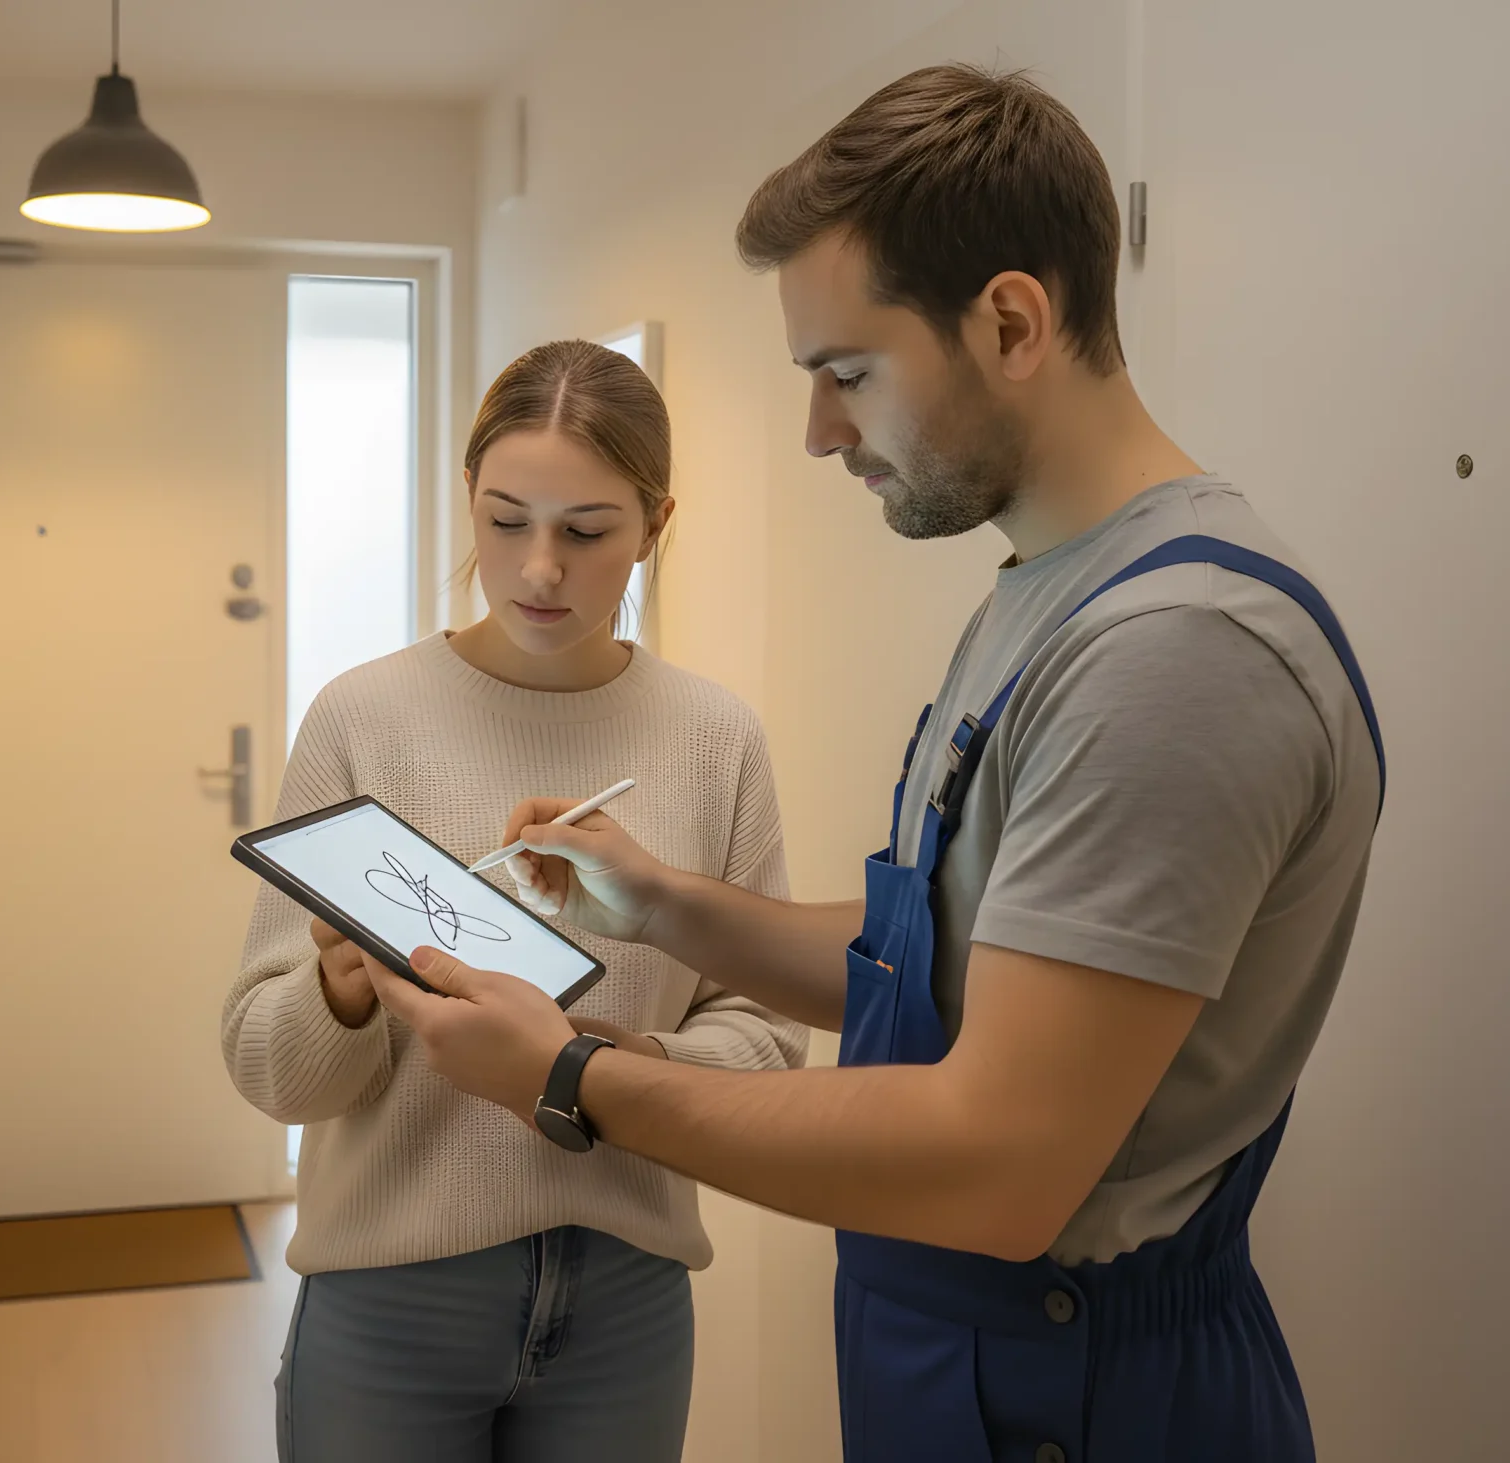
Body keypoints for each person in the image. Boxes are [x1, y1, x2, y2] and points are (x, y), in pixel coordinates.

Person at [368, 65, 1384, 1463]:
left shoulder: (1176, 651)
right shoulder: (1047, 593)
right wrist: (663, 904)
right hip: (961, 1355)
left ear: (1012, 322)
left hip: (1080, 1381)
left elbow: (998, 1156)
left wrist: (572, 1075)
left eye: (846, 374)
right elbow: (952, 958)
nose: (820, 432)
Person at [222, 339, 807, 1463]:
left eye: (586, 531)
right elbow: (266, 1069)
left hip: (630, 1296)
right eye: (505, 521)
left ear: (656, 523)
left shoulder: (715, 736)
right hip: (390, 1290)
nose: (540, 569)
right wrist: (340, 991)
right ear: (467, 497)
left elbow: (770, 1044)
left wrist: (609, 1066)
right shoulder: (361, 717)